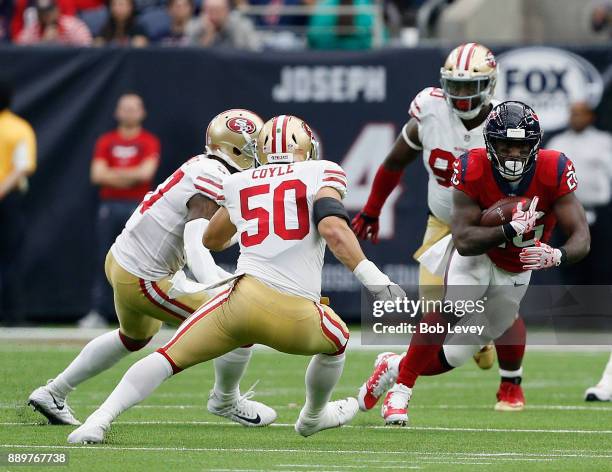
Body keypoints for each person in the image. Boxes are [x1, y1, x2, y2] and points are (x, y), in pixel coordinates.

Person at [66, 114, 405, 443]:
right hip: (295, 314)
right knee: (338, 340)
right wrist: (376, 280)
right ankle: (314, 416)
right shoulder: (323, 171)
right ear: (306, 148)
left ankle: (97, 421)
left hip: (239, 304)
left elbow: (211, 239)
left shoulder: (239, 182)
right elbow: (332, 228)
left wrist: (251, 223)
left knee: (166, 357)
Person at [29, 109, 276, 430]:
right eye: (255, 147)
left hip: (122, 259)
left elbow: (206, 234)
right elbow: (195, 239)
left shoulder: (206, 166)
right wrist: (216, 284)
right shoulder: (215, 176)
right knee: (239, 321)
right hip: (146, 277)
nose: (261, 155)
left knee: (134, 337)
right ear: (236, 149)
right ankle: (226, 399)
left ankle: (54, 392)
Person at [360, 101, 590, 425]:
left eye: (521, 146)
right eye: (505, 145)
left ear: (535, 146)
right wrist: (509, 228)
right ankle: (401, 392)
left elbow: (581, 236)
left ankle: (394, 365)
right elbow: (465, 240)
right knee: (447, 310)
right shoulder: (472, 166)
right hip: (478, 257)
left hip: (516, 268)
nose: (512, 154)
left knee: (455, 354)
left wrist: (558, 254)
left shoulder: (553, 168)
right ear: (489, 143)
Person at [353, 43, 530, 411]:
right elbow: (394, 160)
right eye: (456, 85)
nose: (462, 95)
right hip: (444, 225)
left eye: (471, 86)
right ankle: (404, 378)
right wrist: (371, 211)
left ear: (490, 84)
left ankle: (511, 384)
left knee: (503, 309)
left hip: (491, 231)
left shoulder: (504, 122)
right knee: (436, 318)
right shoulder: (430, 110)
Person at [80, 93, 160, 328]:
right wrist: (130, 175)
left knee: (145, 258)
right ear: (116, 112)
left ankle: (152, 311)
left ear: (142, 112)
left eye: (133, 108)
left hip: (138, 207)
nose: (128, 113)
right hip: (110, 206)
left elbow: (145, 174)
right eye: (124, 108)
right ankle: (99, 311)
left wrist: (114, 175)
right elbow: (97, 175)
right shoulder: (106, 141)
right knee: (105, 258)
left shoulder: (148, 141)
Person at [547, 101, 612, 285]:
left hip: (601, 214)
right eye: (572, 114)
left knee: (602, 263)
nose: (575, 118)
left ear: (590, 116)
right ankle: (572, 310)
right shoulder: (558, 143)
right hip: (566, 212)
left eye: (580, 114)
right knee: (569, 261)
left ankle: (602, 309)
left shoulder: (604, 142)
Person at [0, 79, 36, 323]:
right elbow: (23, 167)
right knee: (10, 258)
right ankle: (12, 315)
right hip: (8, 199)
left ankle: (11, 313)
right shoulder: (19, 127)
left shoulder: (17, 127)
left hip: (7, 200)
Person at [188, 0, 261, 50]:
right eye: (210, 11)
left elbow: (254, 51)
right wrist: (207, 37)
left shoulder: (241, 26)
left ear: (227, 11)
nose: (214, 16)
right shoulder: (195, 27)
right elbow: (191, 58)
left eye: (218, 11)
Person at [16, 0, 92, 45]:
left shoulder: (72, 25)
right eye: (42, 12)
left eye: (49, 11)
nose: (46, 16)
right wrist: (44, 43)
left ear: (57, 10)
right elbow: (20, 49)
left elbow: (87, 48)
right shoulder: (33, 29)